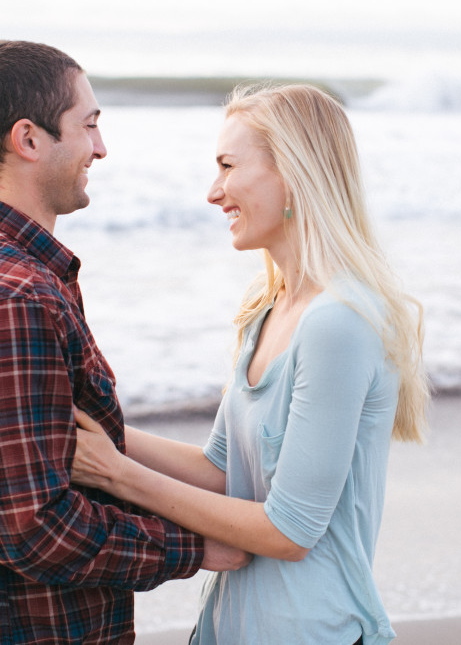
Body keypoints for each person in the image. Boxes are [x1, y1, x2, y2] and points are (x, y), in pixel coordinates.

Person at [0, 40, 247, 645]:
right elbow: (31, 529)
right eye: (88, 126)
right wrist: (195, 545)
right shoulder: (10, 299)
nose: (101, 148)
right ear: (29, 140)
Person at [71, 83, 429, 644]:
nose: (213, 192)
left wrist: (117, 473)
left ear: (292, 174)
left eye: (227, 166)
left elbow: (291, 530)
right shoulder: (266, 309)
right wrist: (98, 430)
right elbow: (221, 471)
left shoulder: (340, 322)